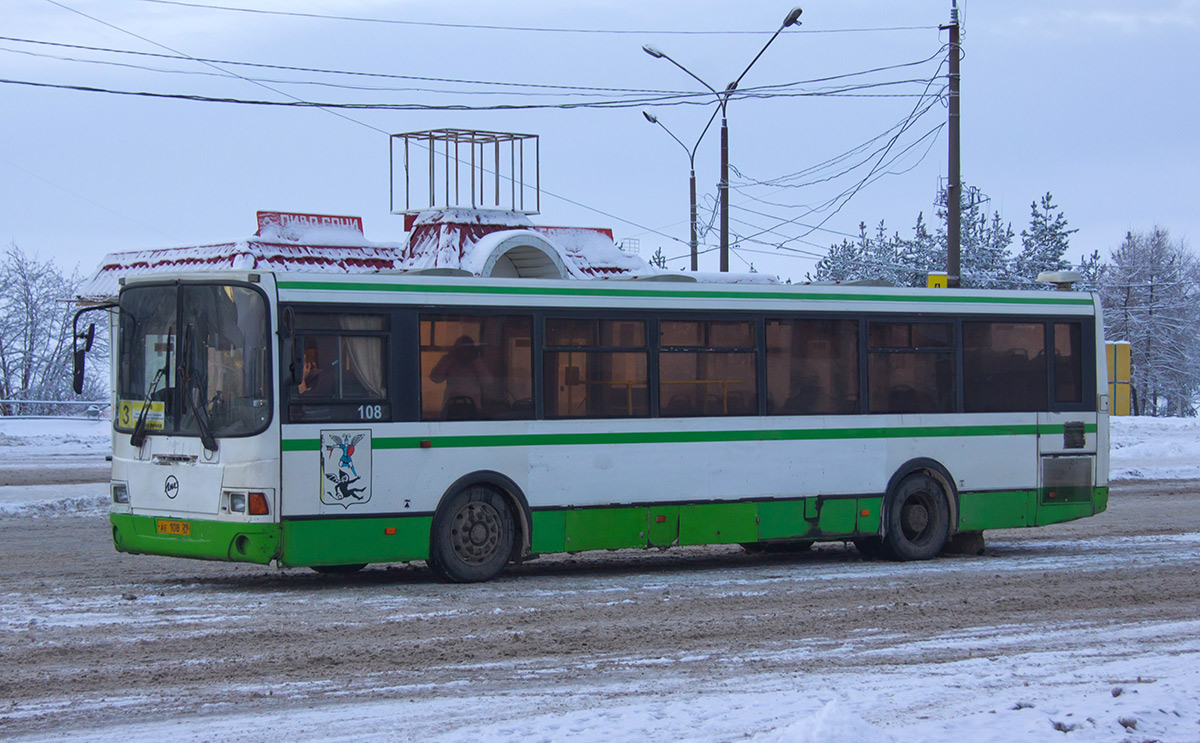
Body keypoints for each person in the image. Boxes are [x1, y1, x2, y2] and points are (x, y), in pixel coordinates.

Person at [430, 336, 494, 419]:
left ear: (471, 349)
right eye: (459, 348)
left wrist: (475, 361)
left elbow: (488, 381)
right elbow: (436, 378)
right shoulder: (448, 361)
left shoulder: (477, 363)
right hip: (451, 405)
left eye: (465, 348)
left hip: (473, 407)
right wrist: (448, 359)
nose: (462, 351)